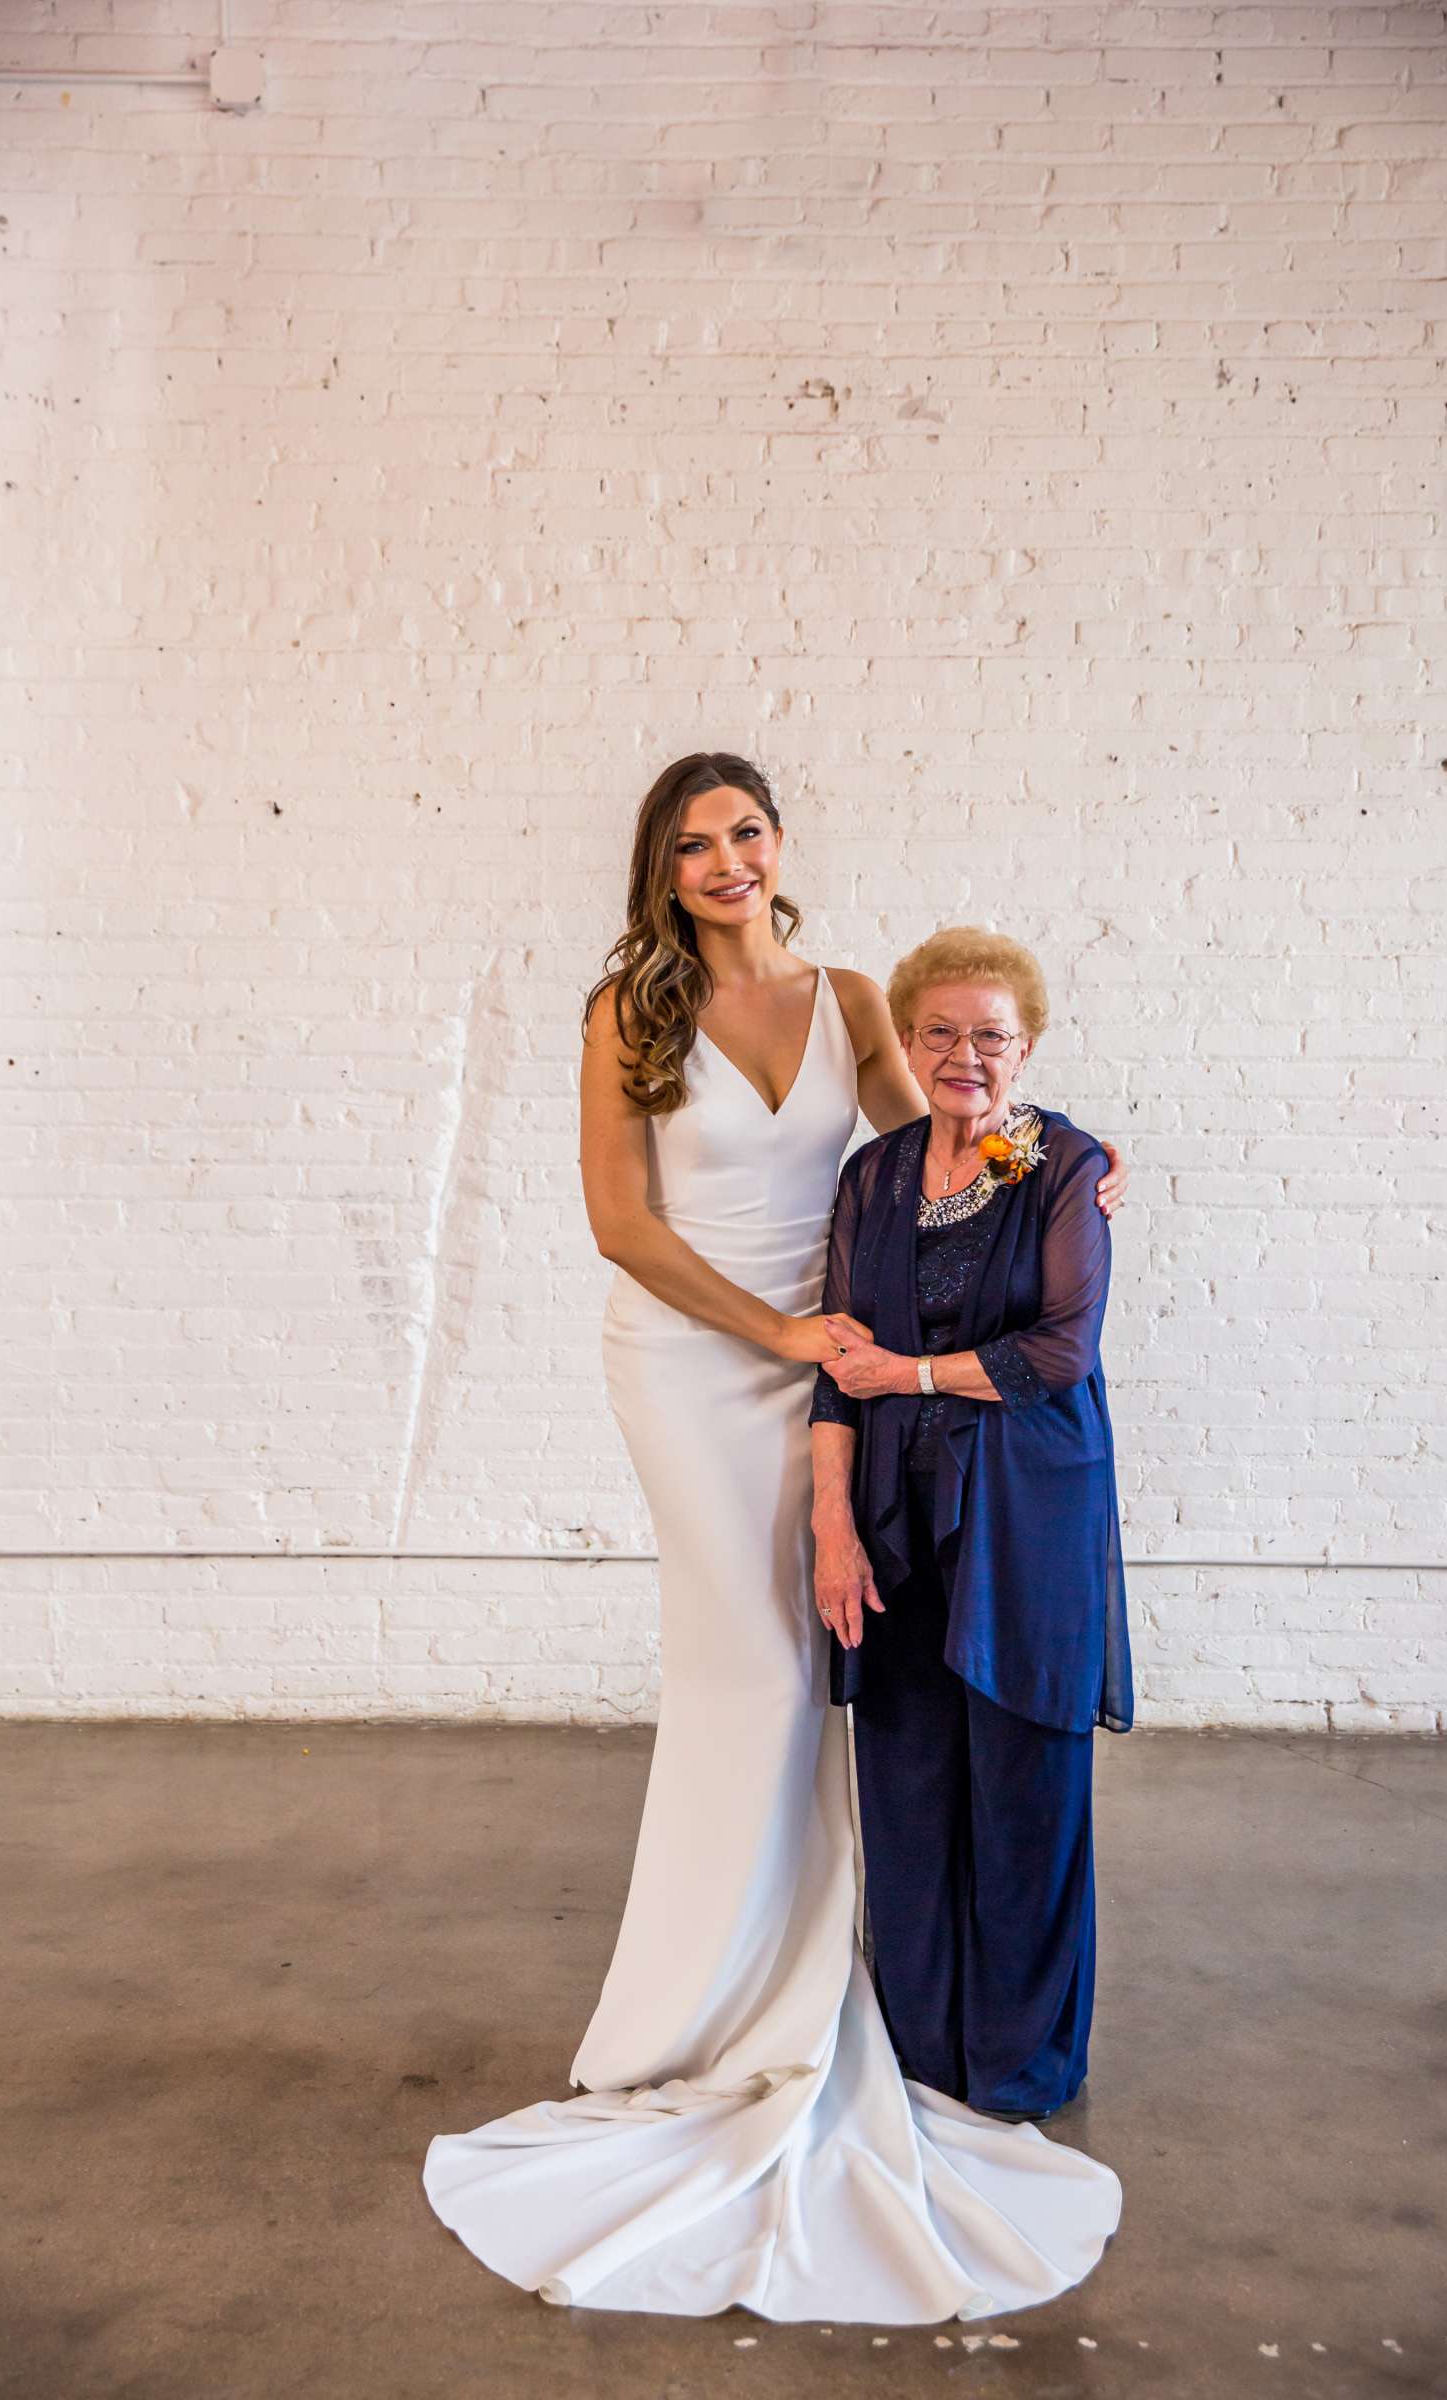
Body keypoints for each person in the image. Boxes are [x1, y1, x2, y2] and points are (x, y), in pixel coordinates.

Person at [423, 755, 1128, 2322]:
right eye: (695, 845)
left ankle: (816, 1986)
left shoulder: (859, 993)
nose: (727, 860)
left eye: (745, 831)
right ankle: (688, 2021)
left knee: (830, 1663)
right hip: (691, 1357)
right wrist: (786, 1331)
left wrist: (1068, 1157)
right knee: (743, 1667)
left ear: (777, 843)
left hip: (833, 1369)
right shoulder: (631, 1014)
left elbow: (935, 1146)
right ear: (661, 870)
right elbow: (622, 1224)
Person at [810, 927, 1132, 2127]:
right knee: (903, 1780)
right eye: (937, 1031)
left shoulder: (1065, 1166)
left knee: (1024, 1782)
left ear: (1027, 1046)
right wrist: (831, 1527)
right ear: (903, 1041)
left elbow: (1058, 1352)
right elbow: (838, 1369)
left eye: (988, 1034)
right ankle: (918, 2053)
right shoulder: (873, 1177)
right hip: (893, 1511)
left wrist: (915, 1375)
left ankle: (1017, 2064)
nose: (963, 1055)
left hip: (1025, 1514)